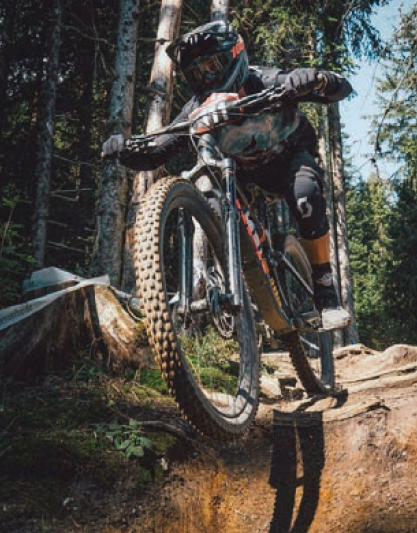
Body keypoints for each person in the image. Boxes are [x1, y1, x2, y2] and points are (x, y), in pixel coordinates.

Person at [102, 20, 352, 331]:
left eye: (213, 66)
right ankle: (243, 287)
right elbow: (158, 150)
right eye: (196, 73)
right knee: (214, 200)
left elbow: (340, 88)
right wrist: (124, 150)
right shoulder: (197, 108)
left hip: (289, 159)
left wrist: (315, 79)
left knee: (305, 194)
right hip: (242, 174)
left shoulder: (266, 80)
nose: (207, 78)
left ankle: (326, 291)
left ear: (235, 56)